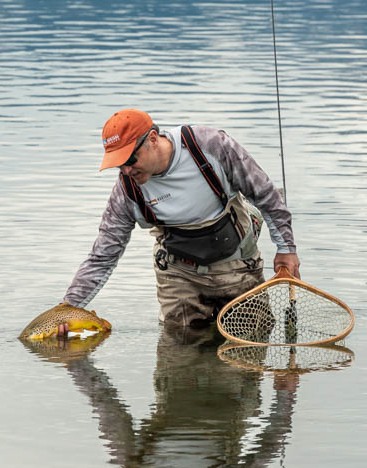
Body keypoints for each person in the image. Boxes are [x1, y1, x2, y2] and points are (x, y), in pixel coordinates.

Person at [53, 108, 300, 333]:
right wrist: (68, 307)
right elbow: (103, 255)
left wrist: (286, 249)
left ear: (152, 139)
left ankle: (250, 220)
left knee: (254, 337)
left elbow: (266, 195)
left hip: (235, 260)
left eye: (130, 160)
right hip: (177, 271)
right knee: (181, 347)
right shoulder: (126, 191)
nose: (126, 170)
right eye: (118, 165)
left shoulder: (210, 145)